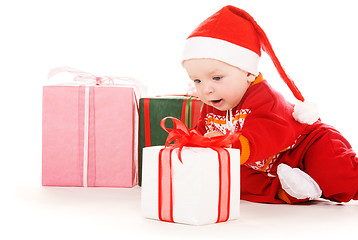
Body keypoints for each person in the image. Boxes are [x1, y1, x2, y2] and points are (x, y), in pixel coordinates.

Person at [182, 5, 358, 204]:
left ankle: (330, 183)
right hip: (270, 167)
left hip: (305, 146)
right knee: (231, 179)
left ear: (248, 73)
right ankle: (288, 191)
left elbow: (265, 133)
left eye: (216, 77)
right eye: (197, 81)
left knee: (334, 174)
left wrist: (227, 143)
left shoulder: (264, 97)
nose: (206, 89)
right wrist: (197, 143)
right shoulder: (213, 104)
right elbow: (203, 132)